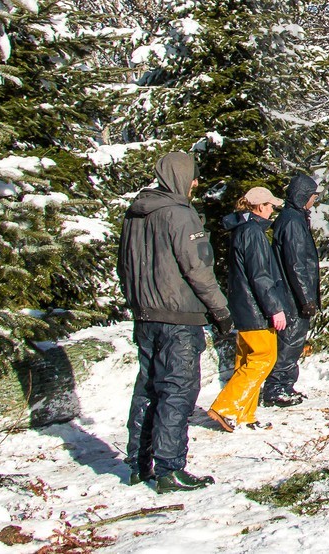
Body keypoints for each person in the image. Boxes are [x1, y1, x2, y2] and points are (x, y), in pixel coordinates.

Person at [118, 151, 231, 494]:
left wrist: (137, 302)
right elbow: (198, 269)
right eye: (193, 176)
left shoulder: (136, 214)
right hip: (179, 317)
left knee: (147, 388)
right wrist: (220, 311)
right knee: (177, 390)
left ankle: (139, 463)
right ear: (181, 177)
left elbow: (124, 265)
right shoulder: (181, 214)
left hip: (146, 315)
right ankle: (170, 468)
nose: (195, 183)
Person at [206, 187, 290, 432]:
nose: (272, 210)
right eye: (270, 206)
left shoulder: (241, 229)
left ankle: (244, 414)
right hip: (256, 310)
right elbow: (260, 276)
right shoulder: (253, 232)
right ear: (260, 206)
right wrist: (275, 308)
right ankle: (226, 408)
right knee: (263, 358)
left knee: (246, 361)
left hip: (243, 307)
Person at [261, 174, 321, 408]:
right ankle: (277, 387)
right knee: (290, 341)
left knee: (293, 341)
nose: (314, 200)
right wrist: (306, 298)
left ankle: (284, 385)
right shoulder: (293, 221)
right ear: (302, 195)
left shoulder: (293, 218)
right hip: (292, 294)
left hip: (291, 291)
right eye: (312, 196)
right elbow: (296, 263)